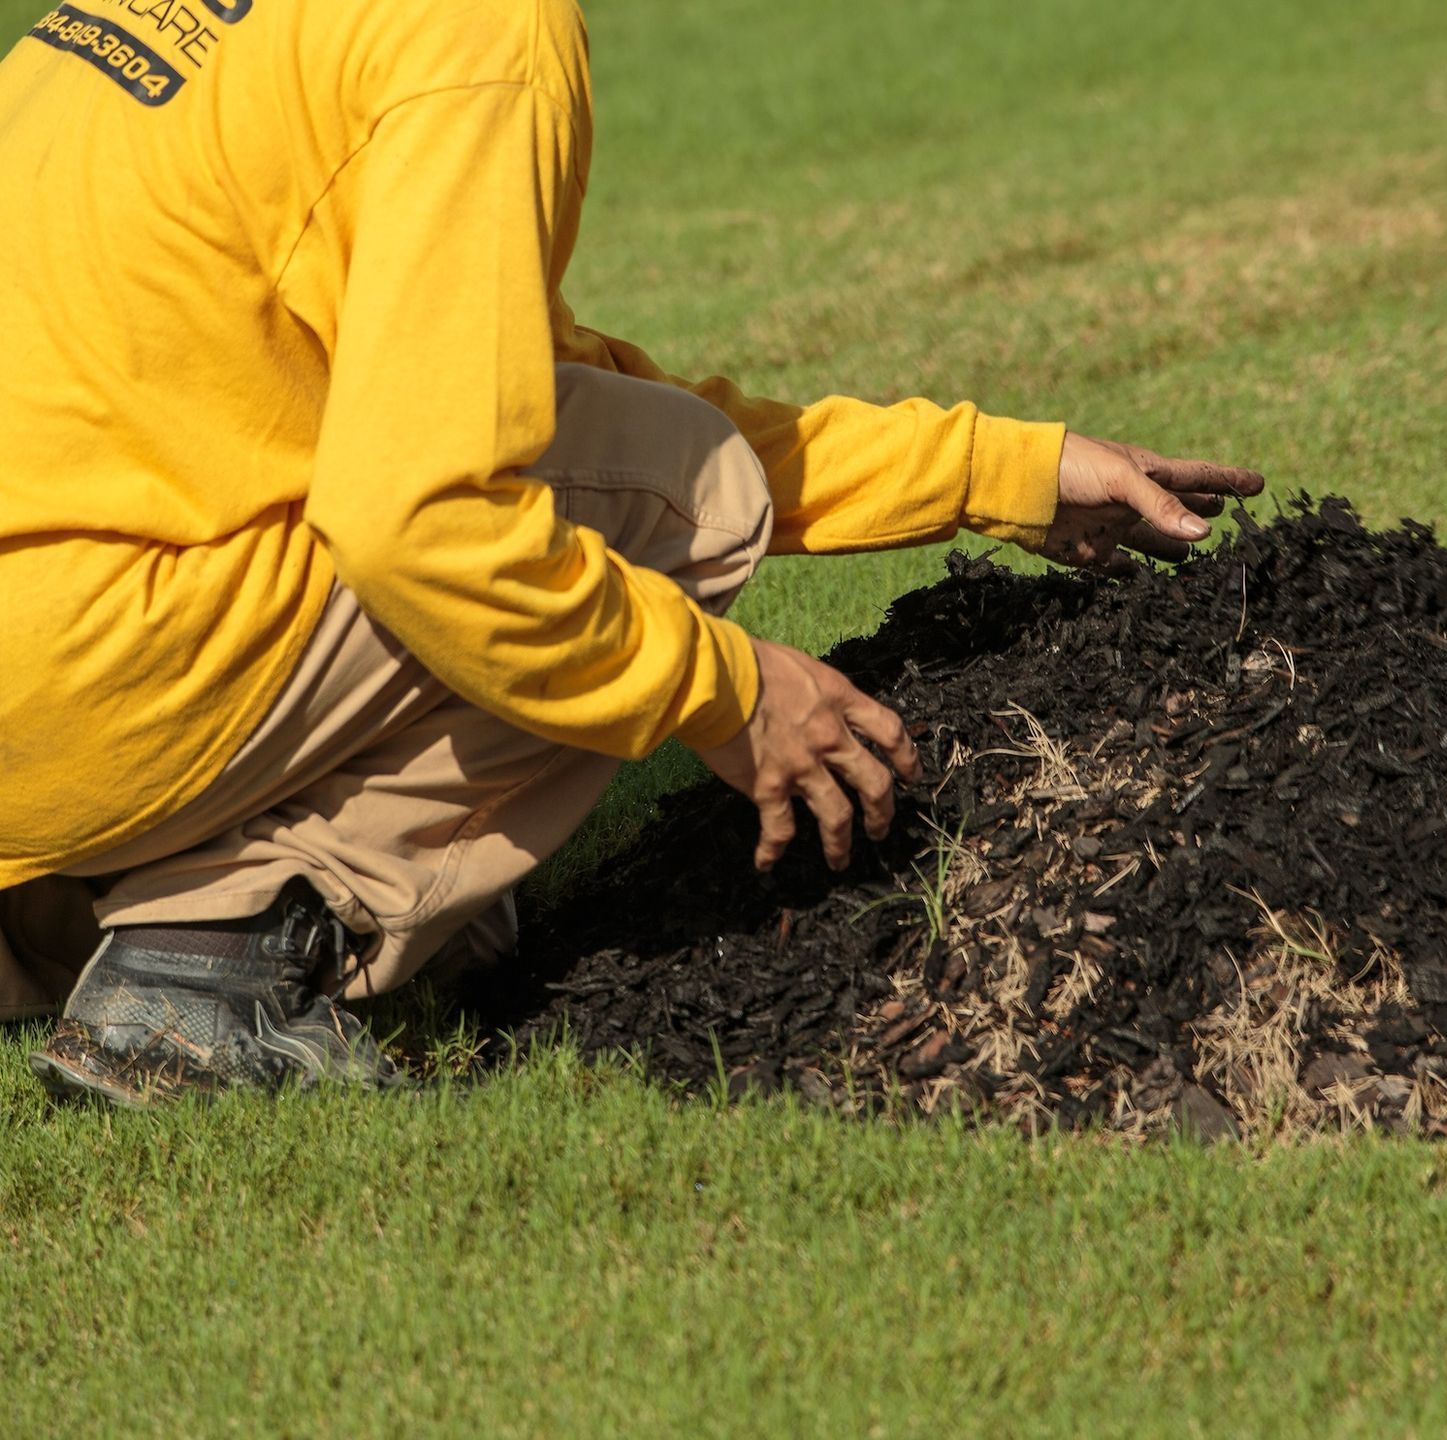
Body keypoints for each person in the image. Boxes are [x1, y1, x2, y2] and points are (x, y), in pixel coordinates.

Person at [0, 0, 1263, 1105]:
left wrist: (999, 471)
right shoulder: (475, 28)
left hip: (44, 683)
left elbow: (525, 395)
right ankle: (226, 948)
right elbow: (433, 518)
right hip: (78, 684)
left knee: (621, 464)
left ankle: (51, 917)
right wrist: (725, 690)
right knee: (682, 491)